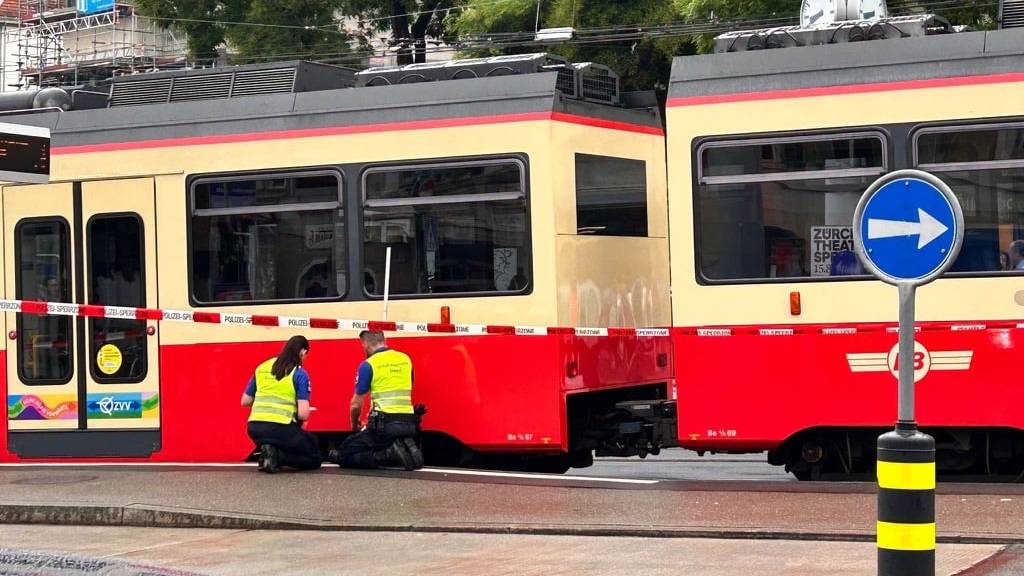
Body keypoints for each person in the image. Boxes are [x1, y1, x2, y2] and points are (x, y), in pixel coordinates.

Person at [330, 330, 424, 470]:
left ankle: (387, 454)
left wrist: (355, 424)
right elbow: (409, 385)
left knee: (344, 453)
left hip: (384, 427)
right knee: (380, 439)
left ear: (365, 344)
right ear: (383, 340)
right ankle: (401, 443)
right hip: (409, 424)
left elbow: (356, 404)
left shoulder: (369, 364)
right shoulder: (405, 359)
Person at [241, 335, 321, 473]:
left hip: (254, 428)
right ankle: (277, 457)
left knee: (288, 440)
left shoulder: (262, 367)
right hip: (281, 427)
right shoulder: (299, 373)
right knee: (314, 456)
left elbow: (245, 401)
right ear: (303, 352)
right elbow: (303, 414)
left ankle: (268, 454)